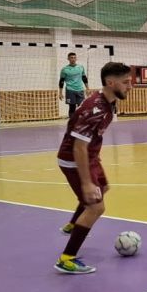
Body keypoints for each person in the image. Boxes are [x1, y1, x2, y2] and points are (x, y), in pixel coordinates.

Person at [54, 62, 133, 274]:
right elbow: (78, 146)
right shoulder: (95, 108)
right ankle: (67, 259)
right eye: (126, 82)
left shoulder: (107, 102)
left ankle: (73, 225)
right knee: (96, 208)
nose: (130, 86)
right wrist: (87, 182)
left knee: (103, 188)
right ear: (110, 82)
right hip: (74, 159)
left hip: (90, 157)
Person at [58, 53, 89, 118]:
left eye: (74, 57)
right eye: (71, 58)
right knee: (72, 107)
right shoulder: (65, 69)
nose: (73, 59)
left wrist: (87, 88)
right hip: (70, 90)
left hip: (80, 90)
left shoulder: (80, 67)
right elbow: (61, 81)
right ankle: (72, 122)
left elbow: (84, 78)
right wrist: (60, 93)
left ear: (76, 58)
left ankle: (80, 122)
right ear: (68, 59)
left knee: (81, 107)